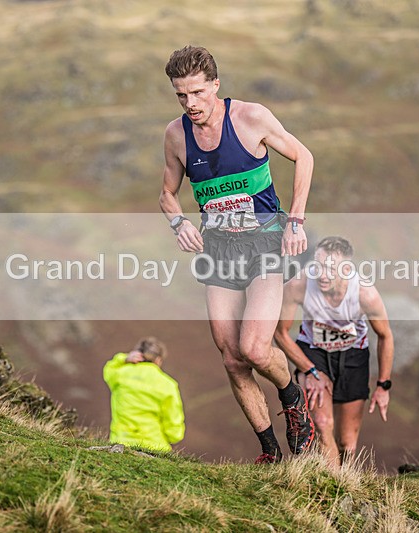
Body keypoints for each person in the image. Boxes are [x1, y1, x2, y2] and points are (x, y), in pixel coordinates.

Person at [159, 45, 315, 463]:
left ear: (215, 85)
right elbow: (167, 195)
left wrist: (296, 221)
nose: (190, 104)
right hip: (219, 249)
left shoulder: (251, 118)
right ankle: (270, 451)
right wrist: (180, 223)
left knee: (255, 348)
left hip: (265, 240)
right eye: (181, 95)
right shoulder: (176, 134)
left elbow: (305, 156)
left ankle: (292, 398)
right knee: (230, 358)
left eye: (197, 93)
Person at [274, 236, 394, 466]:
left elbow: (385, 335)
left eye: (330, 268)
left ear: (347, 269)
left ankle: (346, 482)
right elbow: (280, 333)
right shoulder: (299, 285)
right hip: (313, 353)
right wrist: (309, 371)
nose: (322, 275)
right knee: (322, 422)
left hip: (353, 357)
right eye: (317, 266)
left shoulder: (364, 293)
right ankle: (332, 484)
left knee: (347, 442)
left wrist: (383, 385)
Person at [102, 337, 185, 452]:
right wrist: (172, 437)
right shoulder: (168, 384)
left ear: (137, 354)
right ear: (158, 360)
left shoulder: (120, 375)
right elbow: (174, 430)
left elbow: (108, 369)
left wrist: (123, 359)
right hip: (155, 447)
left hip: (121, 443)